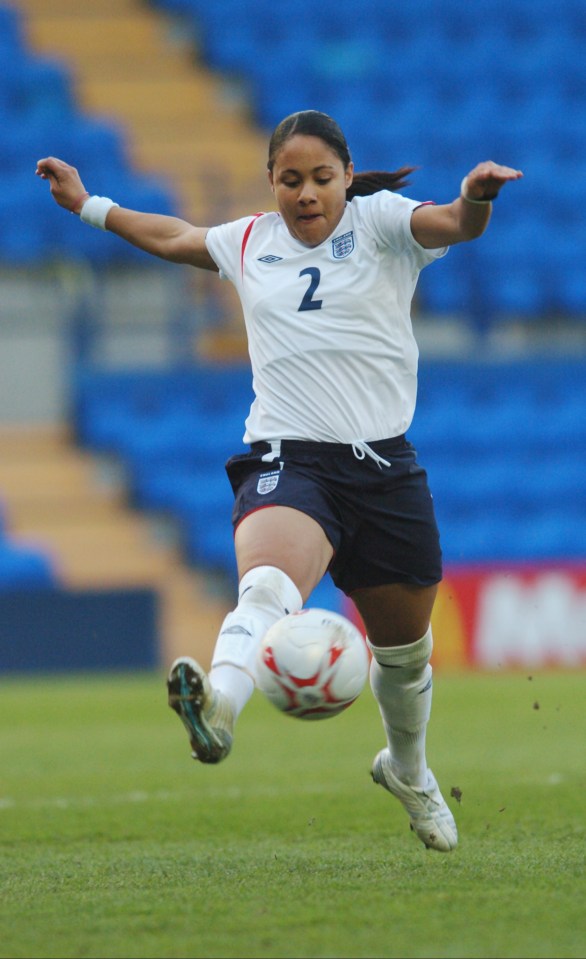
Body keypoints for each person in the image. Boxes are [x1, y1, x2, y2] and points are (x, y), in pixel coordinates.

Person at [37, 109, 522, 853]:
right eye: (290, 179)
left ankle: (409, 770)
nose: (306, 194)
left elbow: (458, 223)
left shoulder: (385, 224)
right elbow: (171, 236)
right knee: (267, 586)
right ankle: (220, 707)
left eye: (321, 178)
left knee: (405, 653)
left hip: (385, 468)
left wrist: (478, 197)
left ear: (347, 177)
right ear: (271, 180)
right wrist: (88, 205)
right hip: (290, 459)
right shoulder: (248, 240)